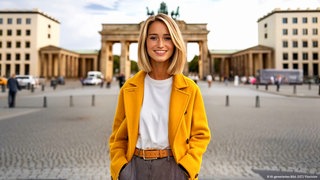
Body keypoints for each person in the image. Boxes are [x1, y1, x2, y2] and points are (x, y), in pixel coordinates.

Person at [109, 13, 211, 180]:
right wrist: (120, 168)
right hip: (134, 168)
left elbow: (201, 134)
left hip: (174, 168)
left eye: (167, 38)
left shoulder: (190, 89)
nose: (161, 44)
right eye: (153, 38)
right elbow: (117, 137)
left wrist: (187, 167)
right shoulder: (129, 88)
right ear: (145, 42)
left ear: (176, 42)